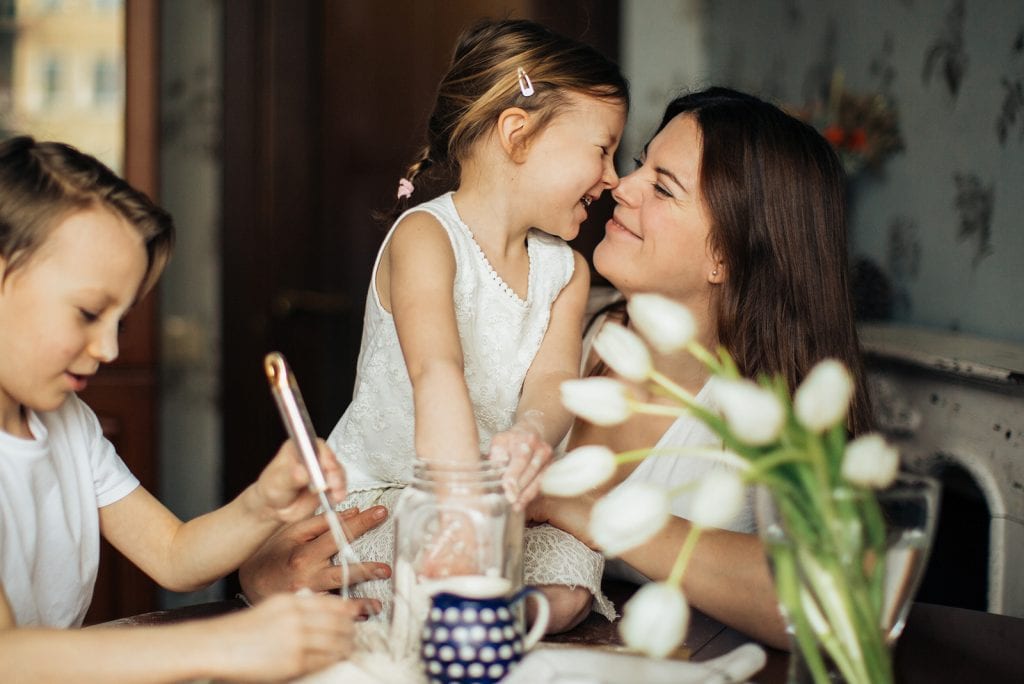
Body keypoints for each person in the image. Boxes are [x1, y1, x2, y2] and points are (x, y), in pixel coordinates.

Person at [0, 136, 374, 682]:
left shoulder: (67, 422)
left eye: (120, 323)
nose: (109, 349)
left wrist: (264, 504)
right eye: (87, 313)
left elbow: (174, 555)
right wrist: (226, 643)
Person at [527, 86, 873, 650]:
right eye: (642, 164)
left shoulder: (771, 414)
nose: (621, 184)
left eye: (662, 187)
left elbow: (832, 601)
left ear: (725, 256)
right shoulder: (558, 321)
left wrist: (596, 512)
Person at [318, 18, 628, 632]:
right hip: (391, 495)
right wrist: (459, 515)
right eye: (603, 149)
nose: (614, 177)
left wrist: (534, 432)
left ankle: (492, 617)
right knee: (417, 575)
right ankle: (461, 608)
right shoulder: (427, 237)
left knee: (572, 575)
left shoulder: (566, 271)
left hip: (496, 507)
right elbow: (437, 372)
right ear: (517, 134)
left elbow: (554, 380)